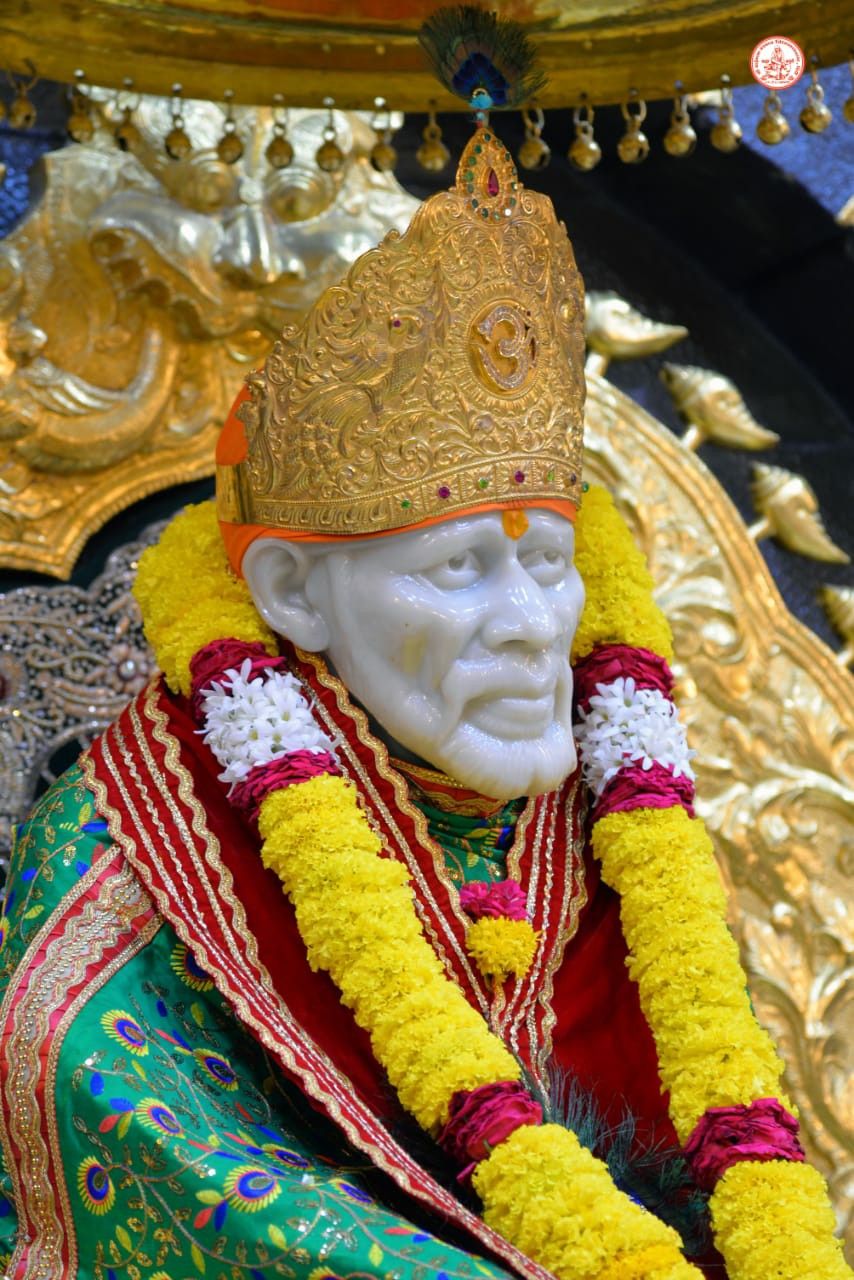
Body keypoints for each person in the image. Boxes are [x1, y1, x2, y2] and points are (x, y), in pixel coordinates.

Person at [0, 122, 847, 1280]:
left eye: (547, 561)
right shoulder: (140, 833)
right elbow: (130, 1132)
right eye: (458, 568)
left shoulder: (611, 827)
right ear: (293, 590)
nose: (530, 621)